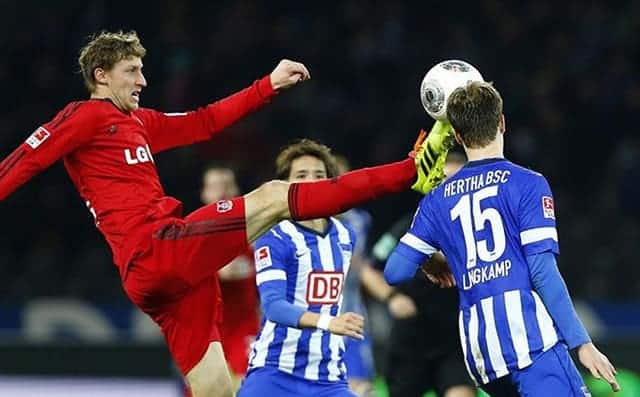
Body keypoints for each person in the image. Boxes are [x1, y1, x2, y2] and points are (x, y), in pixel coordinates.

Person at [0, 30, 450, 397]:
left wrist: (266, 86)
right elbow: (25, 160)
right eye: (131, 71)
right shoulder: (83, 116)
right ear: (101, 75)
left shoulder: (138, 124)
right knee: (277, 195)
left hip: (175, 281)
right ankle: (412, 171)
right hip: (157, 249)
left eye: (142, 70)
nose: (142, 80)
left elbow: (204, 121)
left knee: (215, 391)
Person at [384, 81, 620, 396]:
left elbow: (394, 271)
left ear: (457, 135)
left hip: (482, 356)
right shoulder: (527, 183)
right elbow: (542, 271)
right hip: (529, 345)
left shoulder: (437, 200)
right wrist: (582, 343)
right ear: (502, 123)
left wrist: (430, 260)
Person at [237, 139, 363, 397]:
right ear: (286, 187)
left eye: (319, 175)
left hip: (328, 377)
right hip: (275, 371)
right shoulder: (275, 236)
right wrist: (329, 323)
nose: (311, 182)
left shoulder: (345, 236)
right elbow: (273, 306)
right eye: (301, 175)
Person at [368, 151, 476, 397]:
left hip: (454, 340)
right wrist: (392, 298)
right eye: (445, 181)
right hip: (411, 339)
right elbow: (370, 269)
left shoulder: (478, 229)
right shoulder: (411, 226)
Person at [200, 165, 259, 390]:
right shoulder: (190, 238)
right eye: (215, 187)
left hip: (244, 329)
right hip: (206, 334)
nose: (222, 193)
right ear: (204, 193)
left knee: (248, 386)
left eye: (227, 186)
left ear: (236, 193)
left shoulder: (255, 233)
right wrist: (212, 272)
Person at [333, 155, 376, 397]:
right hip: (312, 324)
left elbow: (357, 266)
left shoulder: (360, 221)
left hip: (353, 319)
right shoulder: (294, 225)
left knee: (362, 390)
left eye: (343, 179)